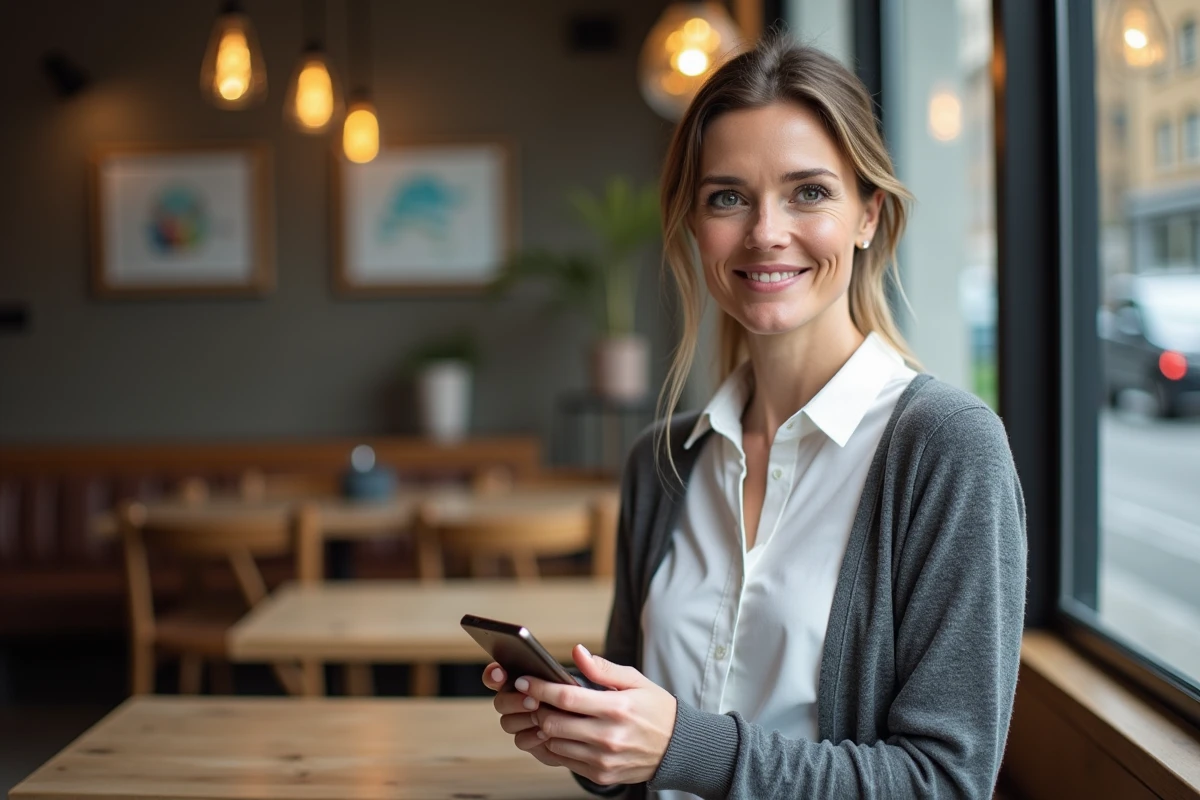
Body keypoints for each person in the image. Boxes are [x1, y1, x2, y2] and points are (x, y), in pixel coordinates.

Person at [482, 33, 1026, 799]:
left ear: (867, 215)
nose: (766, 231)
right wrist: (584, 732)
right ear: (695, 228)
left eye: (809, 192)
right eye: (728, 197)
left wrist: (681, 747)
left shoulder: (947, 450)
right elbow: (646, 758)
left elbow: (943, 782)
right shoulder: (660, 464)